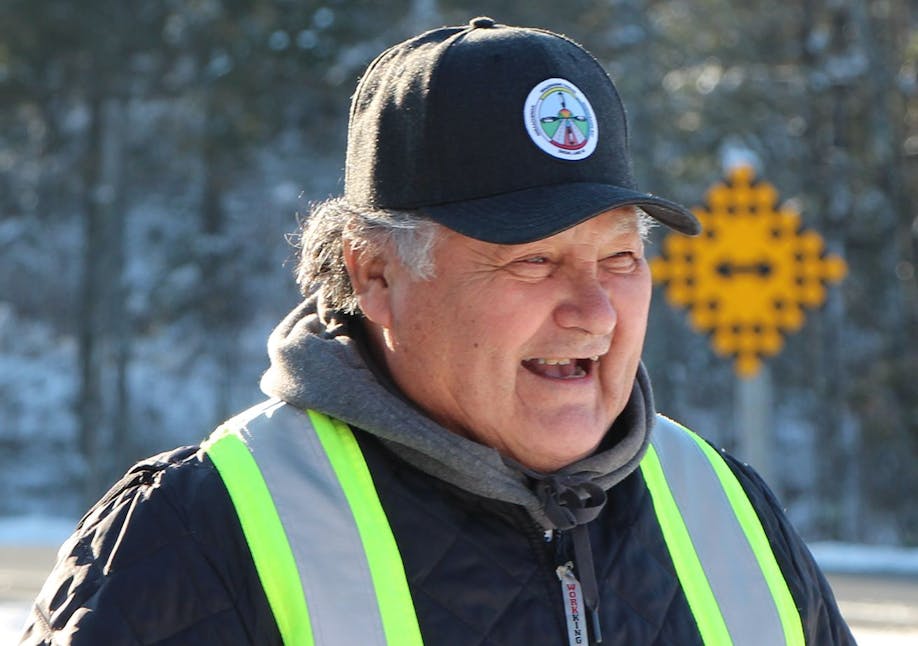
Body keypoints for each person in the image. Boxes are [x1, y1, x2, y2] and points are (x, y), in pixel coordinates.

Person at [22, 17, 854, 645]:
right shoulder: (194, 536)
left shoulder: (732, 513)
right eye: (533, 261)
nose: (594, 311)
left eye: (621, 258)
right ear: (376, 275)